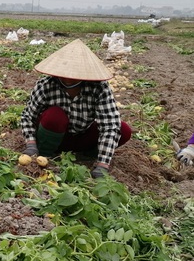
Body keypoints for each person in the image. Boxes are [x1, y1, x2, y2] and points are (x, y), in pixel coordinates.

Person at [20, 39, 132, 178]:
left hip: (81, 138)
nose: (68, 78)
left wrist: (103, 165)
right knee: (54, 116)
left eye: (74, 74)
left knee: (123, 129)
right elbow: (28, 116)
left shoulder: (99, 88)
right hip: (54, 137)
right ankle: (45, 153)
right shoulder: (46, 85)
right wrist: (31, 144)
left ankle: (87, 156)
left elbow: (110, 125)